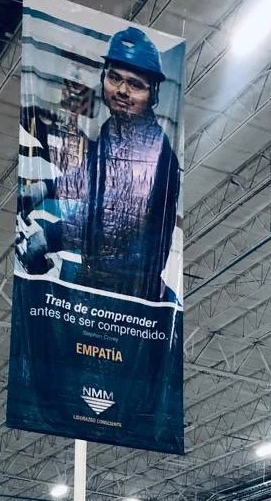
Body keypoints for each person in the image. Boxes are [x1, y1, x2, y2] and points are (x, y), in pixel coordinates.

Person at [17, 26, 181, 301]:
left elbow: (115, 220)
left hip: (132, 294)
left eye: (135, 84)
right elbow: (91, 177)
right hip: (97, 275)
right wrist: (46, 187)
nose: (122, 91)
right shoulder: (111, 130)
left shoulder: (153, 152)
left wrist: (49, 237)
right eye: (115, 78)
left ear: (153, 93)